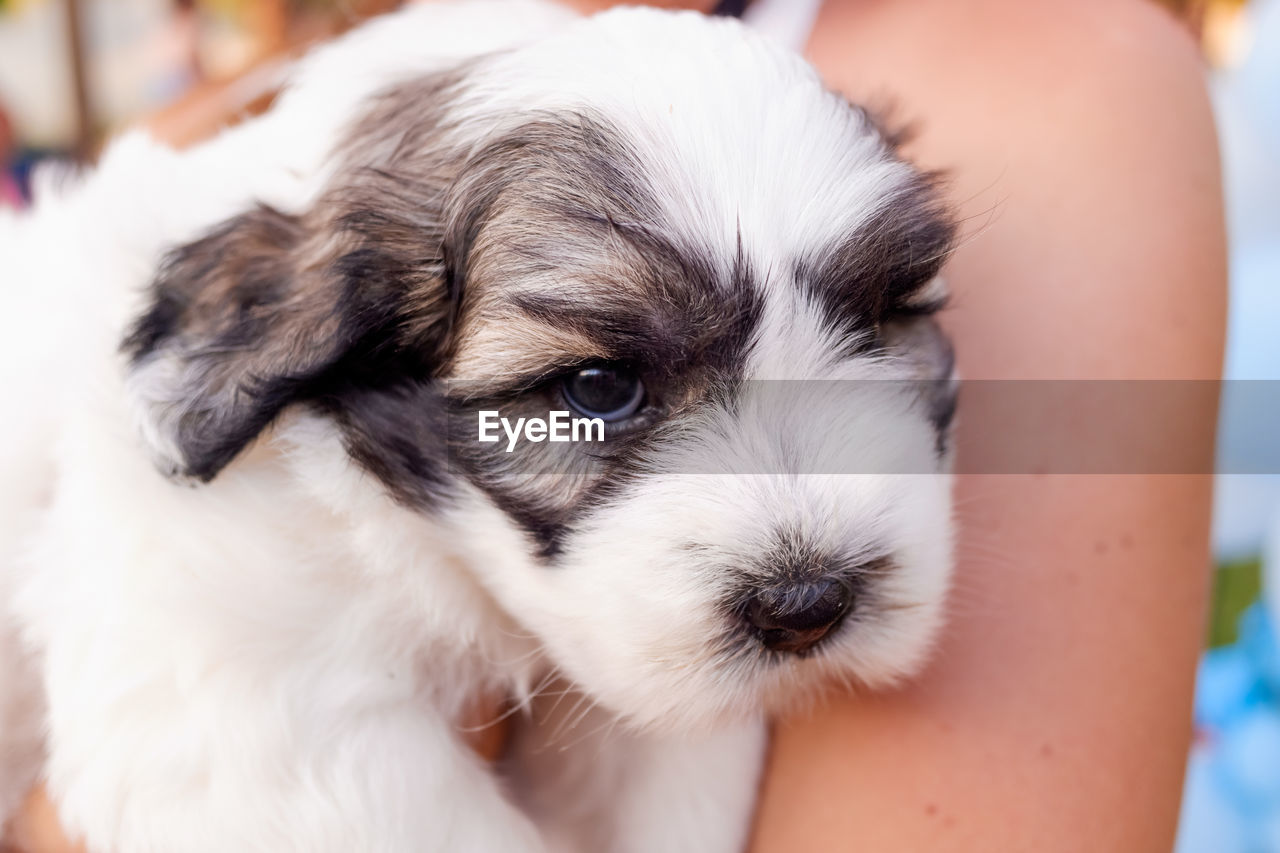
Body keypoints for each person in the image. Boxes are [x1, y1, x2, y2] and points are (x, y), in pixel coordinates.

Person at [8, 0, 1225, 849]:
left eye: (868, 326)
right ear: (308, 352)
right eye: (596, 390)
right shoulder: (239, 217)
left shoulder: (1057, 80)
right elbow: (207, 761)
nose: (804, 559)